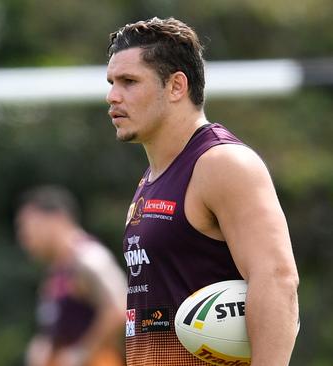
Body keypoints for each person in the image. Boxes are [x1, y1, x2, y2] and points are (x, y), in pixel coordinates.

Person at [105, 17, 300, 365]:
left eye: (129, 82)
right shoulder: (151, 178)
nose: (112, 96)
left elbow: (277, 279)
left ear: (177, 86)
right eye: (111, 82)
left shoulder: (222, 164)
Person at [16, 186, 127, 366]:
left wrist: (80, 353)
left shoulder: (89, 258)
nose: (24, 236)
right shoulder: (57, 269)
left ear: (56, 219)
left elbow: (119, 308)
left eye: (28, 225)